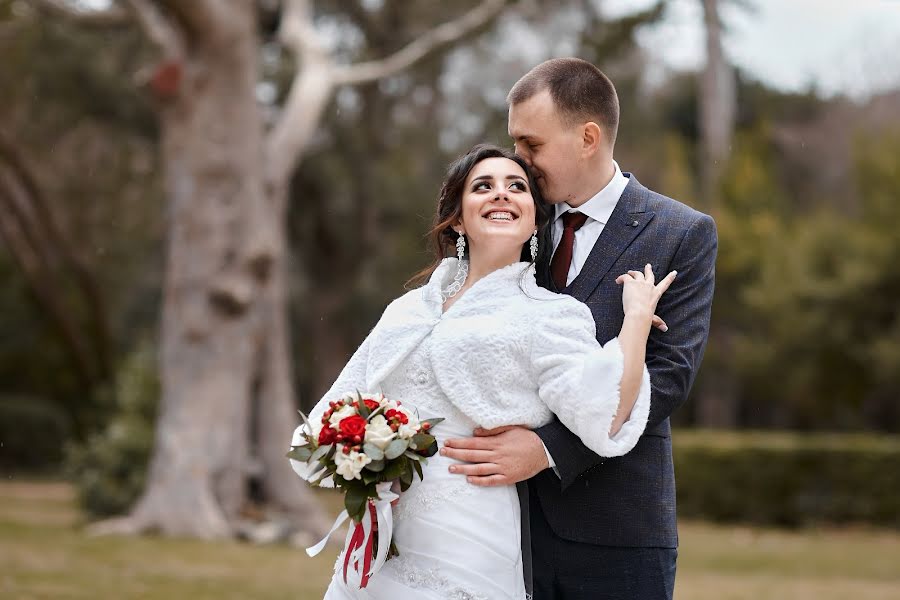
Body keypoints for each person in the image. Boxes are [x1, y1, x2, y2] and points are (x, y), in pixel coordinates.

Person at [291, 144, 676, 599]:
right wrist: (363, 458)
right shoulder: (408, 309)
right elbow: (324, 426)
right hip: (383, 539)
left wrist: (634, 321)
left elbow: (607, 414)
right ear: (457, 217)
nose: (501, 195)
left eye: (517, 188)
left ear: (535, 219)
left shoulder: (551, 314)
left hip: (471, 534)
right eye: (482, 187)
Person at [441, 58, 718, 599]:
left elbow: (668, 377)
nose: (518, 159)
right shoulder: (516, 218)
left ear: (588, 137)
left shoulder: (681, 233)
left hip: (616, 530)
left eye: (531, 144)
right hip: (503, 525)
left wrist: (547, 450)